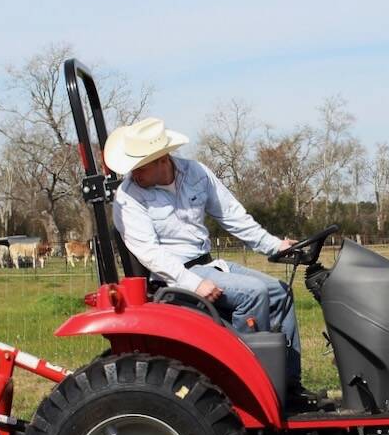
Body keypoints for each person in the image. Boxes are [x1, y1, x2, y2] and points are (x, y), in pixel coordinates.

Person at [104, 117, 318, 407]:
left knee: (280, 292)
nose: (134, 173)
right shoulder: (129, 198)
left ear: (162, 159)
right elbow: (151, 253)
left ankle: (289, 386)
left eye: (139, 166)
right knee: (253, 294)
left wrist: (275, 245)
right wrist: (193, 282)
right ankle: (252, 394)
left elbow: (233, 217)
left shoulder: (196, 173)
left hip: (207, 264)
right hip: (173, 277)